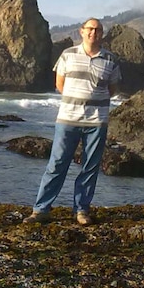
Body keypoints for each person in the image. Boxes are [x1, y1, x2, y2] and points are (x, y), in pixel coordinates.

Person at [24, 18, 122, 225]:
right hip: (68, 119)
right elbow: (60, 85)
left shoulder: (110, 59)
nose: (93, 33)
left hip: (97, 121)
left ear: (102, 34)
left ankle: (81, 211)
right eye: (90, 29)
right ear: (82, 31)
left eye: (97, 30)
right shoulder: (68, 55)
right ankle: (41, 210)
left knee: (90, 166)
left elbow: (111, 90)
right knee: (57, 163)